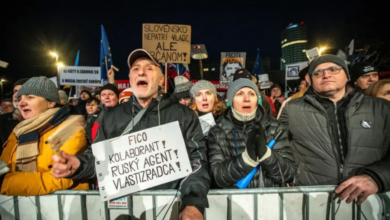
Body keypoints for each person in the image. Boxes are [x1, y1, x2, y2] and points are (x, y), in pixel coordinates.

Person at [52, 49, 210, 219]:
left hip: (170, 208)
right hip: (124, 211)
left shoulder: (183, 115)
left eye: (149, 68)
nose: (141, 72)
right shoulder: (111, 116)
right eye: (135, 68)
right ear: (130, 79)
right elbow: (99, 159)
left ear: (162, 79)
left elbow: (197, 161)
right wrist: (78, 165)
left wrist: (193, 202)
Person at [279, 55, 390, 205]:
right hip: (312, 201)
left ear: (347, 76)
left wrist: (378, 177)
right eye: (318, 73)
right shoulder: (292, 108)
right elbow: (280, 148)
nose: (326, 74)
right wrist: (287, 177)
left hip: (372, 203)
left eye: (334, 69)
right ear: (310, 80)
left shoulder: (381, 108)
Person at [0, 77, 89, 196]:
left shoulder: (70, 127)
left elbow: (61, 178)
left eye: (30, 97)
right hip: (21, 207)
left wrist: (5, 184)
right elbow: (5, 167)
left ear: (51, 103)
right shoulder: (18, 131)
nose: (21, 102)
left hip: (61, 208)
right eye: (20, 98)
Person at [208, 78, 296, 188]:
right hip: (235, 203)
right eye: (240, 94)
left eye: (251, 94)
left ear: (256, 99)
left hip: (271, 202)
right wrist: (246, 160)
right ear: (231, 100)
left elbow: (289, 174)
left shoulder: (275, 127)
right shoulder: (217, 132)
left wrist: (267, 155)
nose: (246, 99)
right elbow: (217, 178)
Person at [0, 78, 28, 155]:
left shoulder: (46, 120)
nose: (16, 95)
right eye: (15, 91)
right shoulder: (2, 120)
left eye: (21, 90)